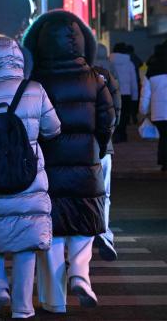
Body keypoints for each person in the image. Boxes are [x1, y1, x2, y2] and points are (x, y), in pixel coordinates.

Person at [0, 34, 60, 318]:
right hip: (29, 175)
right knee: (26, 242)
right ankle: (22, 307)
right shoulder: (35, 89)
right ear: (18, 60)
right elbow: (53, 129)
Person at [22, 10, 115, 313]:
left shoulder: (35, 83)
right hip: (85, 161)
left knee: (51, 231)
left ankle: (54, 301)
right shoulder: (95, 80)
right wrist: (95, 149)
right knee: (84, 222)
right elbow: (107, 122)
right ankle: (80, 272)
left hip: (46, 167)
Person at [93, 43, 122, 261]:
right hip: (104, 144)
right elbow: (116, 112)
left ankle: (77, 240)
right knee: (105, 193)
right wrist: (108, 135)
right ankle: (102, 232)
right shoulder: (107, 75)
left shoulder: (76, 75)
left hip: (75, 146)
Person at [140, 43, 167, 171]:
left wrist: (143, 110)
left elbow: (145, 93)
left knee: (164, 135)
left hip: (159, 112)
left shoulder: (152, 70)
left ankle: (164, 161)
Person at [110, 43, 138, 142]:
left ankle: (115, 133)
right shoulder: (129, 63)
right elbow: (133, 81)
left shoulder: (110, 62)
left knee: (114, 113)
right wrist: (135, 97)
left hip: (113, 92)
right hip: (126, 93)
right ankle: (122, 133)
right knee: (125, 114)